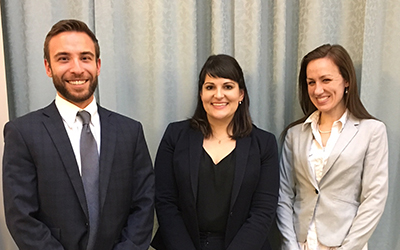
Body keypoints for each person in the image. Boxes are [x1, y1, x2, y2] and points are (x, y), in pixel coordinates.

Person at [2, 19, 154, 250]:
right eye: (64, 58)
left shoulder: (130, 131)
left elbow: (144, 204)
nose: (77, 68)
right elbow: (22, 216)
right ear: (48, 67)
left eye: (85, 57)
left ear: (98, 65)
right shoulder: (23, 133)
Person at [150, 54, 280, 250]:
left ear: (241, 94)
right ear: (201, 94)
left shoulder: (265, 144)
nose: (218, 95)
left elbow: (263, 210)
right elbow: (165, 201)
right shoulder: (175, 136)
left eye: (227, 86)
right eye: (210, 87)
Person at [277, 44, 388, 250]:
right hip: (301, 244)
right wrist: (291, 245)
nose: (318, 90)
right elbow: (284, 196)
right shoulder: (295, 134)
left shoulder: (372, 131)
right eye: (311, 82)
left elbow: (374, 199)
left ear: (346, 80)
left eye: (326, 80)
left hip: (345, 245)